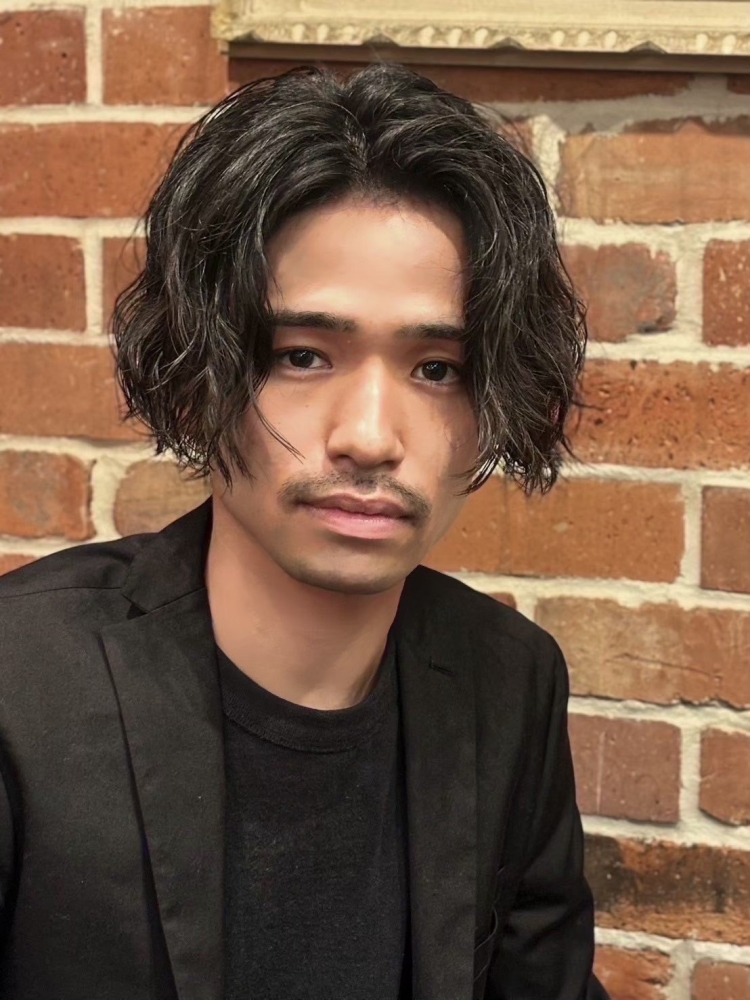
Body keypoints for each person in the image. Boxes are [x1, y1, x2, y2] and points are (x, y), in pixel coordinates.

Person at [0, 62, 609, 1000]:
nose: (368, 436)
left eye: (439, 369)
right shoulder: (21, 681)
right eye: (301, 356)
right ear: (199, 375)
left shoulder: (508, 679)